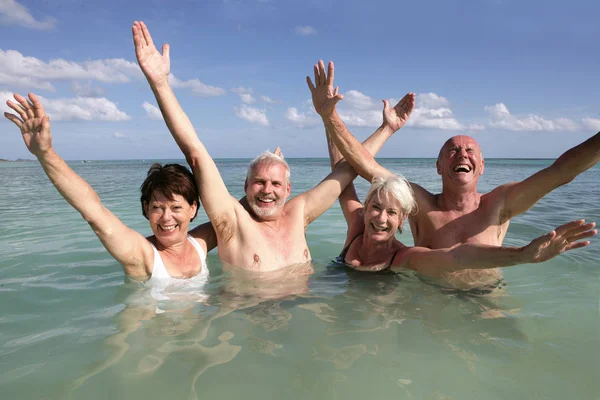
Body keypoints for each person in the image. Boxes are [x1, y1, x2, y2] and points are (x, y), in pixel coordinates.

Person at [132, 21, 411, 271]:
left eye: (276, 184)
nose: (267, 190)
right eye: (259, 182)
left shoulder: (298, 213)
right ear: (245, 186)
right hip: (252, 321)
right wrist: (160, 84)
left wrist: (383, 129)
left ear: (288, 190)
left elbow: (350, 169)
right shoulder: (233, 221)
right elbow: (195, 153)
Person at [314, 63, 600, 285]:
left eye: (469, 151)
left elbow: (561, 171)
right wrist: (333, 118)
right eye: (452, 150)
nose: (462, 154)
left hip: (486, 297)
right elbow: (361, 164)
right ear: (439, 166)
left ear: (482, 166)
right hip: (431, 296)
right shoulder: (419, 203)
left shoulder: (501, 202)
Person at [4, 92, 216, 282]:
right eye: (157, 208)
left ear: (193, 208)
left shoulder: (201, 243)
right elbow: (93, 211)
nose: (166, 217)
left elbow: (241, 211)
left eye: (176, 207)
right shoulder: (142, 254)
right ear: (145, 209)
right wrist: (45, 153)